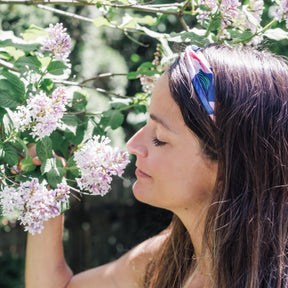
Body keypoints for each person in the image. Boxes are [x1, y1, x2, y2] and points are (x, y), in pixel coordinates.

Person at [25, 43, 288, 288]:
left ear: (227, 167)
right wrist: (48, 190)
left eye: (160, 138)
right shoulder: (168, 260)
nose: (132, 144)